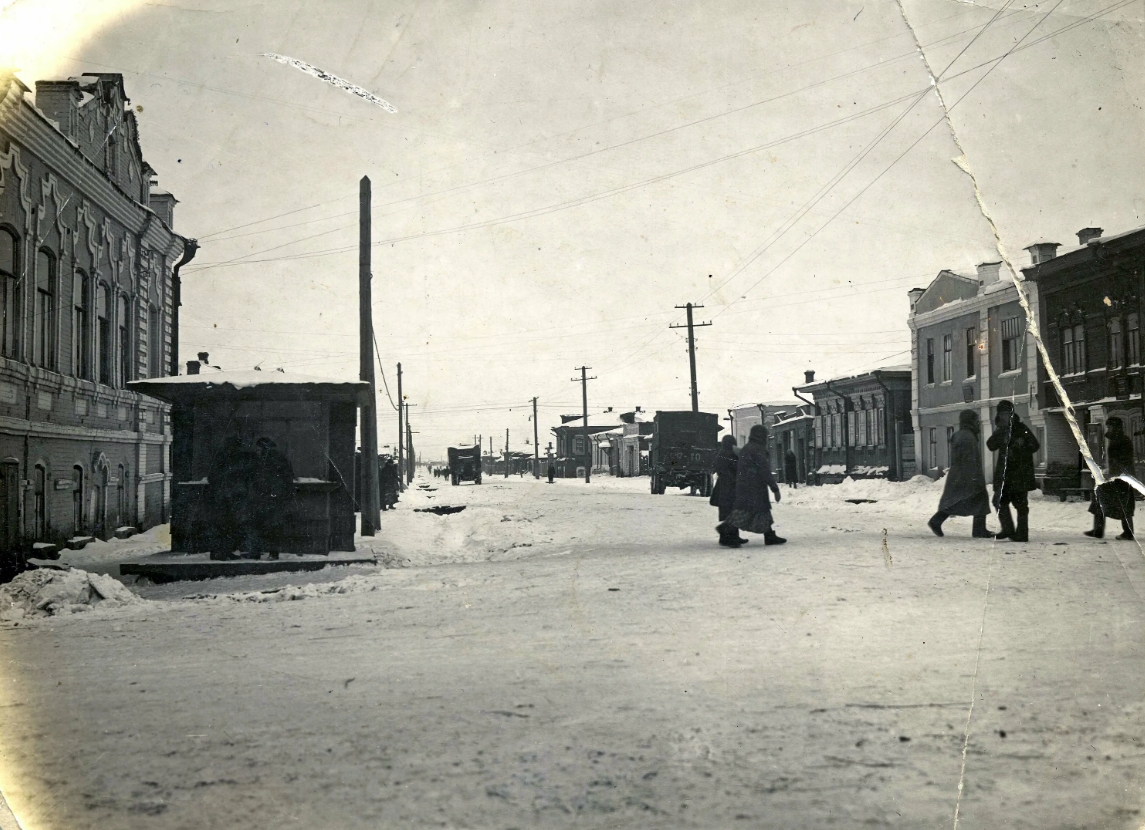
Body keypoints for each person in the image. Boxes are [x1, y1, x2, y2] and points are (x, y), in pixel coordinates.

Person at [928, 410, 995, 538]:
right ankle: (978, 530)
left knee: (956, 501)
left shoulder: (961, 435)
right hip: (967, 475)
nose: (978, 422)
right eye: (975, 420)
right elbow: (969, 458)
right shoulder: (967, 437)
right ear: (970, 421)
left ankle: (936, 521)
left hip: (959, 474)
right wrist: (974, 477)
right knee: (978, 499)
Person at [986, 400, 1040, 543]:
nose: (1004, 416)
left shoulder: (1022, 428)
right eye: (1001, 414)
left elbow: (1035, 445)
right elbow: (990, 445)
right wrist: (999, 430)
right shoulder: (1001, 429)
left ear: (1011, 413)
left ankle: (1021, 534)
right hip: (1006, 475)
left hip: (1020, 474)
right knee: (999, 501)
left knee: (1020, 505)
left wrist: (1022, 444)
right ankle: (1009, 530)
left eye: (1006, 413)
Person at [728, 424, 786, 545]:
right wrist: (774, 488)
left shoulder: (747, 448)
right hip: (754, 488)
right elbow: (764, 470)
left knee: (759, 511)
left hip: (745, 486)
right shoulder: (757, 450)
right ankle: (728, 533)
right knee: (747, 512)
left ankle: (769, 534)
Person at [1086, 417, 1136, 540]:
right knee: (1106, 501)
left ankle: (1126, 532)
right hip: (1117, 476)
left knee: (1120, 504)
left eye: (1110, 427)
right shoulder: (1116, 440)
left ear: (1116, 428)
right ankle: (1099, 530)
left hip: (1120, 477)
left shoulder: (1121, 441)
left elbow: (1123, 461)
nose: (1108, 429)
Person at [207, 435, 253, 561]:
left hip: (225, 496)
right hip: (231, 496)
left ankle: (223, 551)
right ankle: (221, 552)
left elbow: (212, 477)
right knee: (227, 525)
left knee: (226, 525)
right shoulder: (232, 460)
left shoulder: (223, 457)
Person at [250, 437, 294, 560]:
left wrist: (274, 493)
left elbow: (279, 479)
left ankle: (269, 553)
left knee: (270, 525)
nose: (257, 451)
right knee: (270, 525)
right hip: (269, 497)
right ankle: (269, 553)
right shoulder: (274, 458)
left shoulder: (272, 459)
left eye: (259, 448)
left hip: (271, 497)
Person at [712, 435, 748, 548]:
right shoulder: (727, 455)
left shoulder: (723, 454)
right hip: (729, 488)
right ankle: (728, 536)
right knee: (732, 511)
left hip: (725, 488)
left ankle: (727, 537)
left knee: (730, 511)